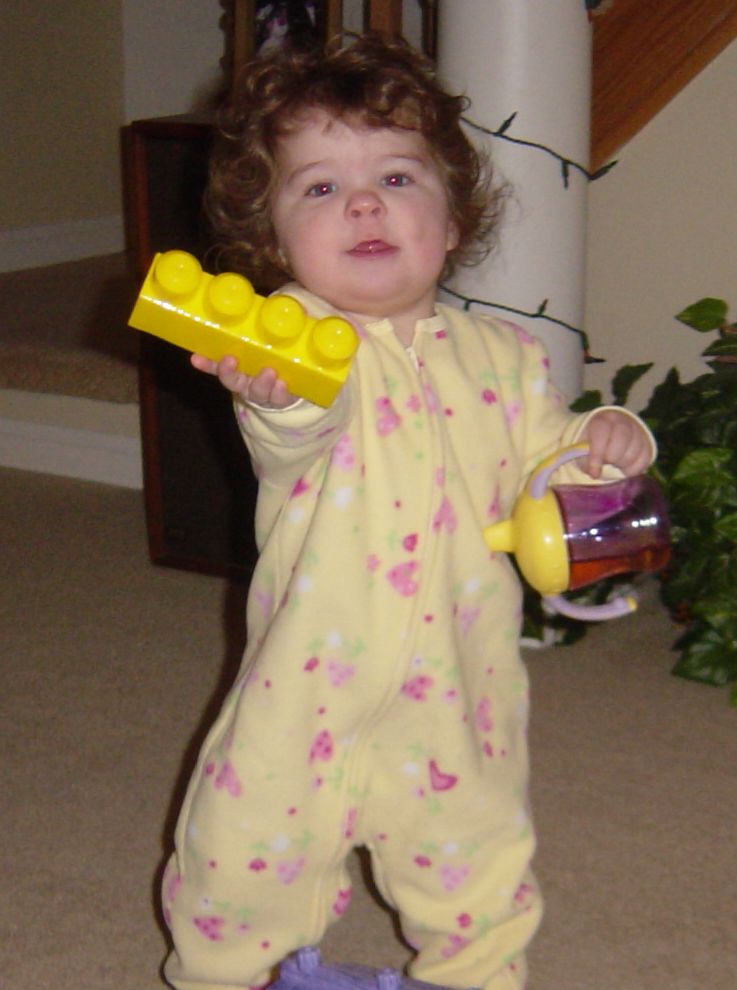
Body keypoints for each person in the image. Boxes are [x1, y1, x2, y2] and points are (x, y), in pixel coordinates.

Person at [161, 33, 654, 990]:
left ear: (452, 219)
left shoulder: (504, 357)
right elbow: (294, 434)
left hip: (455, 688)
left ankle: (477, 973)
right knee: (239, 858)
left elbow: (551, 455)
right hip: (306, 685)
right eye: (318, 187)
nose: (362, 203)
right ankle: (222, 975)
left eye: (395, 176)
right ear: (273, 242)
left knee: (479, 860)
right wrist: (276, 395)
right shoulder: (299, 348)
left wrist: (600, 444)